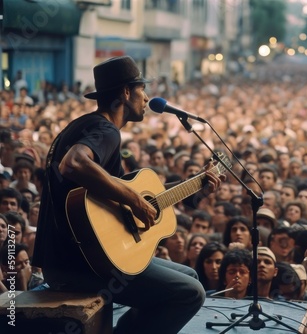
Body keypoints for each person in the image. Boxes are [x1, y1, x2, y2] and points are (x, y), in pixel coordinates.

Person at [32, 56, 223, 334]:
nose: (146, 98)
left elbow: (118, 197)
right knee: (191, 292)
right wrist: (134, 200)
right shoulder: (106, 130)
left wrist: (197, 187)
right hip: (79, 267)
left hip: (70, 260)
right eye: (141, 89)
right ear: (125, 92)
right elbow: (73, 164)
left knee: (190, 275)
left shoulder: (83, 126)